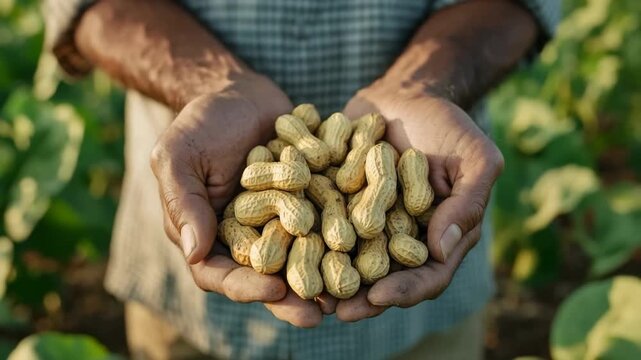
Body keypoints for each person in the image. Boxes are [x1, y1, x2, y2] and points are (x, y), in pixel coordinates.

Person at [43, 0, 559, 359]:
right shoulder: (290, 178)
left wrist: (422, 86)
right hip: (188, 309)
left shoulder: (356, 188)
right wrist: (212, 85)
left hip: (420, 327)